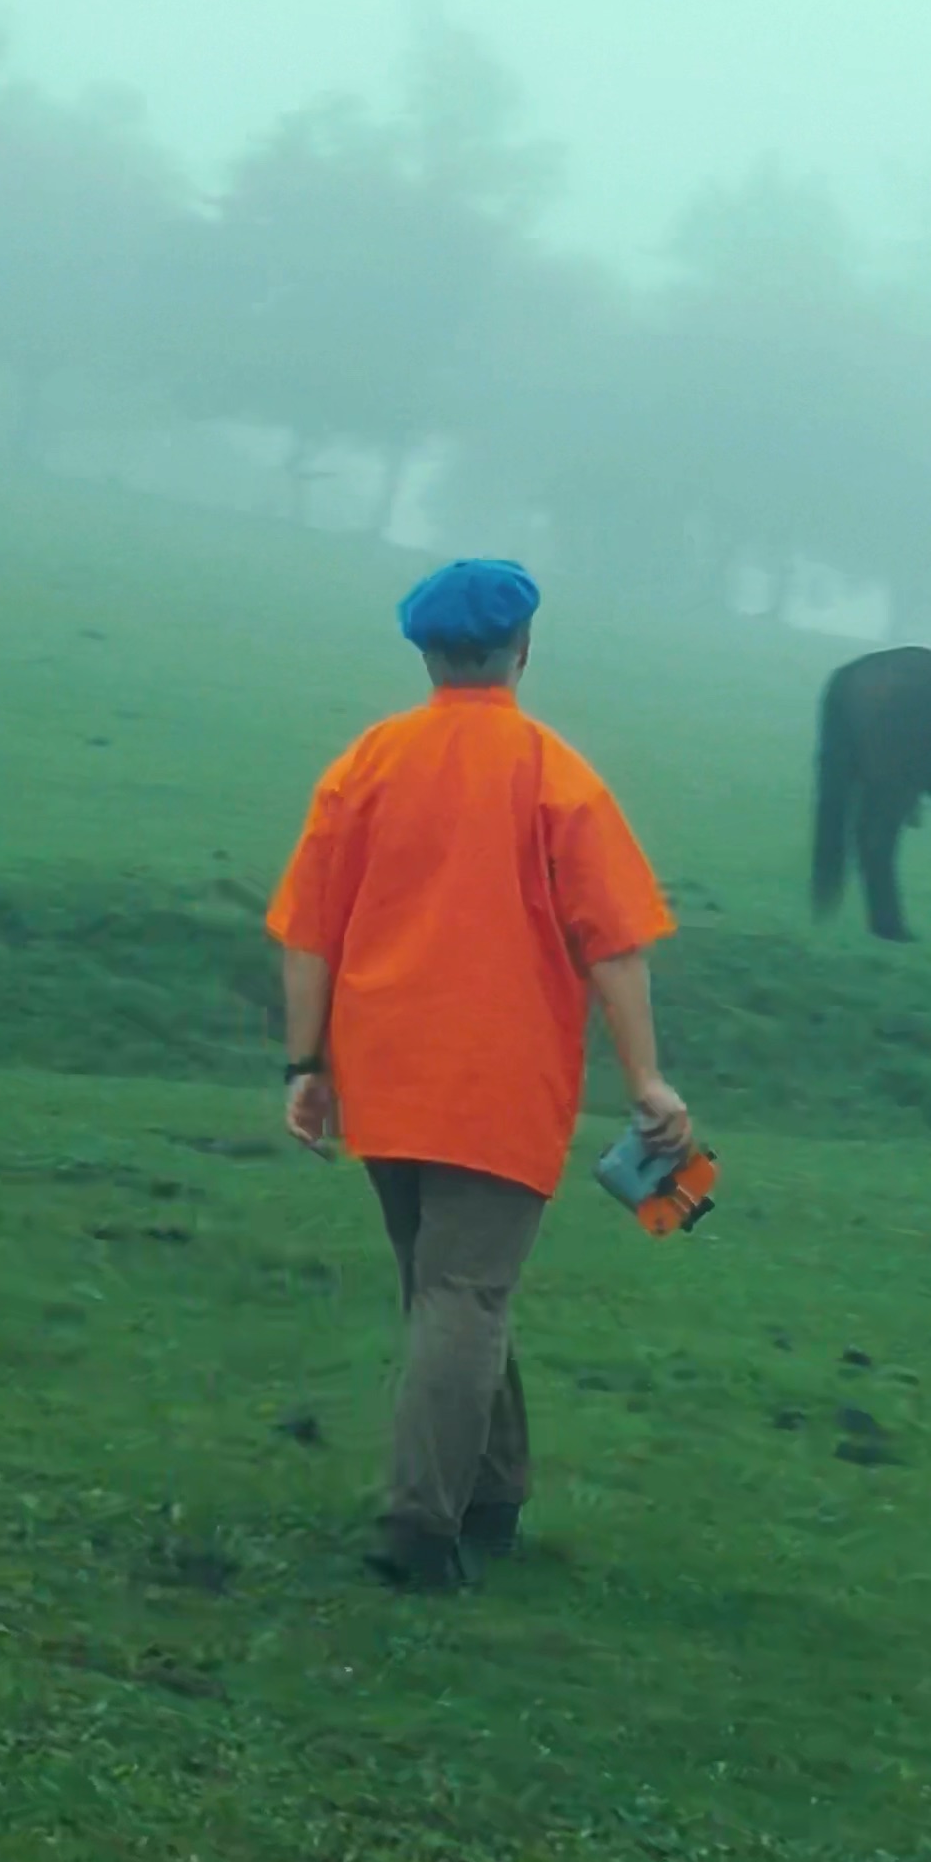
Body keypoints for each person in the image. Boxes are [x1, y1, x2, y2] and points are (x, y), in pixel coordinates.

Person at [266, 556, 694, 1590]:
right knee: (463, 1294)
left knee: (446, 1291)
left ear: (424, 653)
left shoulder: (366, 764)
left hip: (382, 1070)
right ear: (524, 649)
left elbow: (307, 935)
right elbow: (615, 948)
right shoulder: (556, 777)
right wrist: (648, 1081)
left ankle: (496, 1492)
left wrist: (306, 1065)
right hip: (498, 1083)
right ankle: (419, 1526)